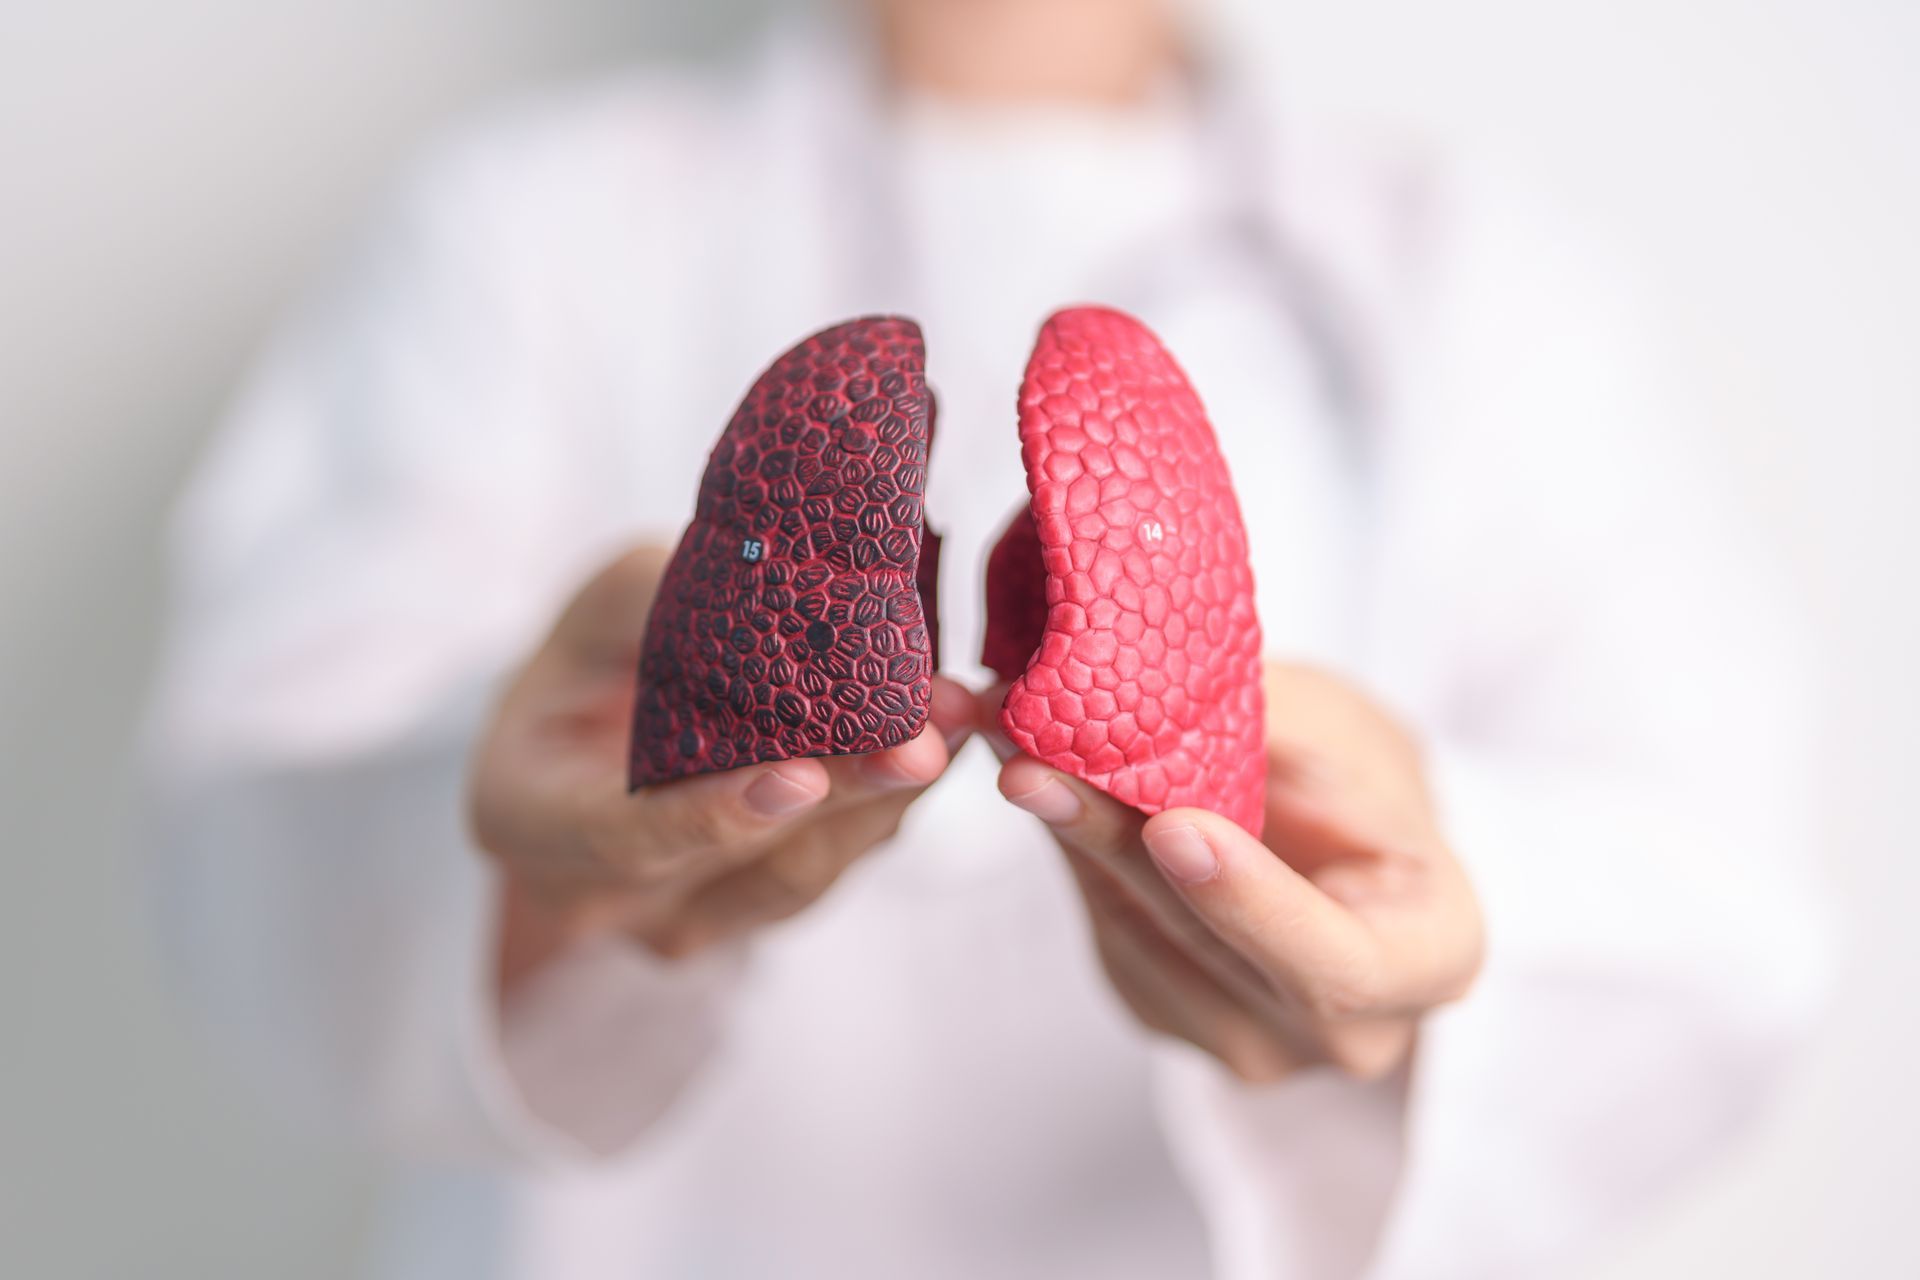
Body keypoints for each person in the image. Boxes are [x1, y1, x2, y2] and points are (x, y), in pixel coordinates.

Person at [144, 0, 1829, 1276]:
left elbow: (1727, 920)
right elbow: (246, 861)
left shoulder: (1475, 277)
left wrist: (1419, 934)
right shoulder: (526, 226)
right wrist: (532, 860)